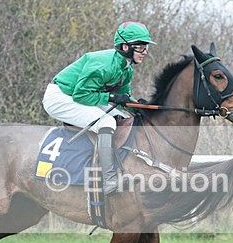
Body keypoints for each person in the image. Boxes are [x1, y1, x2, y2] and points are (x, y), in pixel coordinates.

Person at [42, 21, 155, 195]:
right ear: (125, 47)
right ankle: (109, 180)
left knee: (125, 119)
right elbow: (80, 95)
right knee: (107, 123)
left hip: (81, 94)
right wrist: (111, 97)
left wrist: (140, 108)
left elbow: (123, 98)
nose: (145, 52)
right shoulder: (104, 65)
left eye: (145, 47)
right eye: (140, 47)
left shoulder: (126, 68)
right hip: (60, 96)